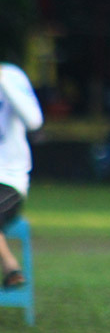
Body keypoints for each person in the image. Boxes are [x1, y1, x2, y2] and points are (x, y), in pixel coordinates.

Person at [0, 61, 43, 290]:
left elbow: (34, 121)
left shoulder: (12, 76)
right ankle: (11, 268)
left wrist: (3, 81)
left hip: (8, 181)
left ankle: (10, 265)